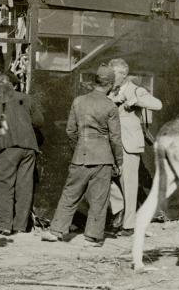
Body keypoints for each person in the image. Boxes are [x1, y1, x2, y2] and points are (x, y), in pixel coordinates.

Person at [41, 64, 123, 247]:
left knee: (70, 194)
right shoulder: (110, 106)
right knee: (99, 199)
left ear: (96, 82)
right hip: (103, 158)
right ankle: (92, 237)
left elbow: (71, 131)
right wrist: (119, 161)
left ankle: (56, 231)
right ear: (109, 84)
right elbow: (115, 138)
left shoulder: (78, 101)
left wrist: (78, 148)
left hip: (80, 155)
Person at [106, 58, 162, 236]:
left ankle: (128, 226)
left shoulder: (136, 90)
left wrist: (135, 101)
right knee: (104, 178)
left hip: (128, 144)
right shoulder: (109, 90)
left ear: (122, 74)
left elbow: (157, 104)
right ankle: (119, 208)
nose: (109, 77)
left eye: (112, 74)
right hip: (110, 143)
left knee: (129, 184)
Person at [0, 72, 44, 235]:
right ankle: (20, 226)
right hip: (29, 146)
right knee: (25, 186)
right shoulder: (26, 98)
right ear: (15, 85)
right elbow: (39, 121)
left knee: (4, 184)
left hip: (8, 145)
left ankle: (5, 224)